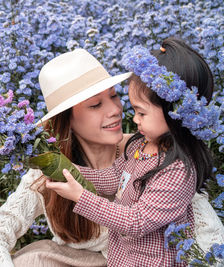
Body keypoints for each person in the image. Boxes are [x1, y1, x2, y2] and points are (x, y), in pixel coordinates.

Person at [0, 46, 224, 267]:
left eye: (114, 96)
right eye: (96, 105)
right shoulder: (51, 169)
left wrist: (81, 197)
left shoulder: (153, 155)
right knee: (29, 261)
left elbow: (209, 237)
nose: (116, 110)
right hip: (87, 261)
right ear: (67, 121)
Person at [46, 38, 224, 266]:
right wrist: (67, 171)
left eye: (141, 112)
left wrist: (81, 196)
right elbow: (114, 178)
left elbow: (136, 222)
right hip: (123, 258)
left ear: (173, 113)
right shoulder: (141, 145)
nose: (134, 119)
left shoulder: (178, 170)